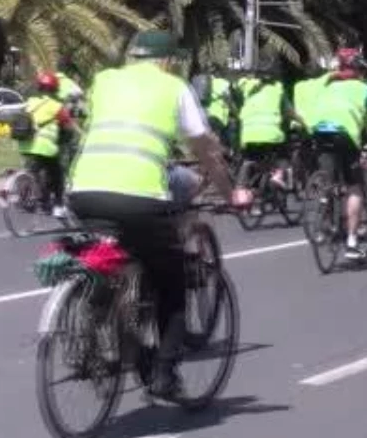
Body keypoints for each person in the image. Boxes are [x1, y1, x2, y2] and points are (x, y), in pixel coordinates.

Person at [66, 30, 242, 398]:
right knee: (172, 283)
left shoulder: (104, 80)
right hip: (139, 197)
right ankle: (164, 374)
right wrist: (232, 192)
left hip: (83, 193)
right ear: (167, 61)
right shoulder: (174, 87)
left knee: (117, 264)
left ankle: (121, 336)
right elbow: (205, 148)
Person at [309, 48, 367, 260]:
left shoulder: (326, 86)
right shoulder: (365, 90)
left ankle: (322, 221)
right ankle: (352, 242)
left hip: (319, 132)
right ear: (358, 70)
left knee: (327, 179)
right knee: (355, 187)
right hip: (344, 135)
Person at [236, 57, 305, 203]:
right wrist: (303, 123)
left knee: (250, 160)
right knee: (283, 156)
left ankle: (243, 193)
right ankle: (277, 176)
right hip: (271, 134)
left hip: (248, 134)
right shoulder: (277, 90)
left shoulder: (247, 88)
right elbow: (289, 113)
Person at [19, 72, 76, 218]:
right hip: (45, 147)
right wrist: (70, 137)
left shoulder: (30, 102)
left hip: (25, 144)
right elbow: (68, 127)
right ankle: (58, 205)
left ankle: (30, 196)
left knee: (35, 170)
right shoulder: (56, 106)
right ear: (55, 88)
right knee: (57, 173)